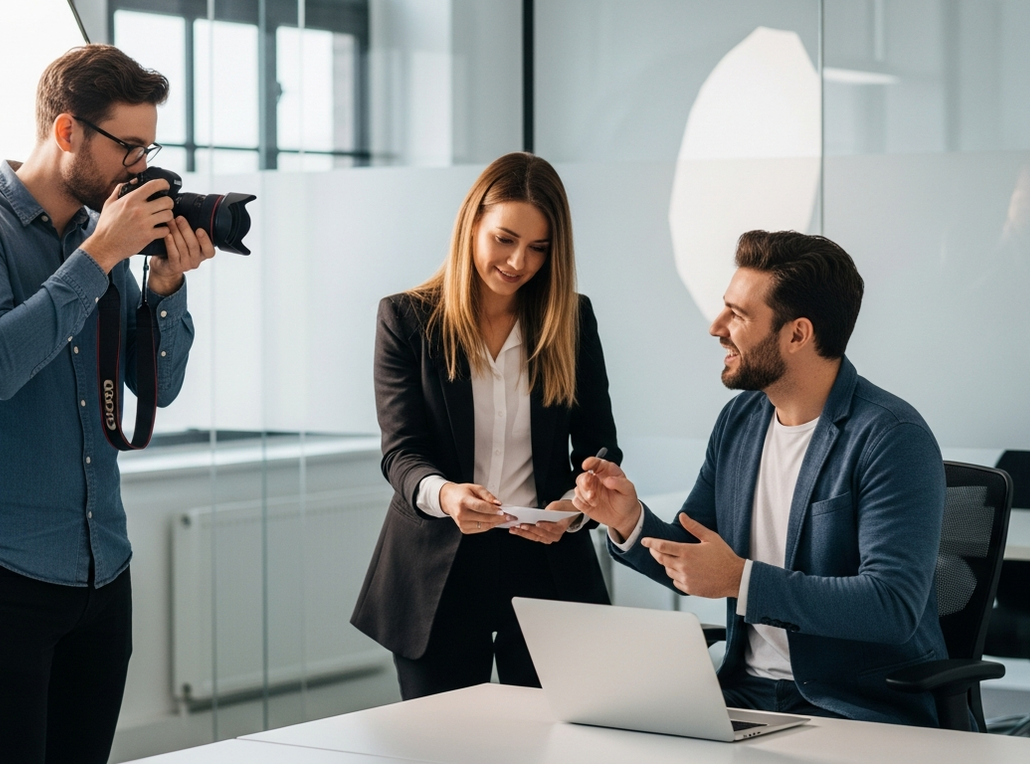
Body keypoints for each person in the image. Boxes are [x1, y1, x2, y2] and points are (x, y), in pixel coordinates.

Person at [0, 45, 215, 763]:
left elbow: (158, 387)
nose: (140, 166)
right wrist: (100, 259)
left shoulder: (94, 236)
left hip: (101, 566)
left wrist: (167, 291)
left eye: (149, 146)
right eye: (128, 145)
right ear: (68, 132)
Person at [574, 230, 949, 727]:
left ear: (797, 334)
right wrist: (629, 520)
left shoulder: (890, 437)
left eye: (739, 315)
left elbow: (891, 604)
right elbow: (698, 553)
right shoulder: (741, 421)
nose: (716, 327)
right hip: (741, 695)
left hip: (850, 706)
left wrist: (741, 580)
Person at [351, 152, 620, 700]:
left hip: (546, 562)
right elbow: (401, 453)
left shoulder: (571, 319)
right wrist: (447, 495)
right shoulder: (406, 320)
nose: (519, 261)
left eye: (539, 248)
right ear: (472, 223)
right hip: (438, 568)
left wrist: (573, 507)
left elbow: (599, 446)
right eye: (505, 238)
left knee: (555, 744)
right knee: (445, 746)